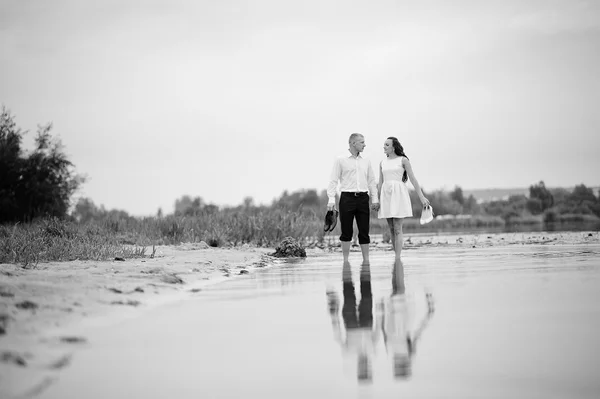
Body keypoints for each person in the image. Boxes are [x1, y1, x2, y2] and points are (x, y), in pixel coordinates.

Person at [327, 133, 380, 265]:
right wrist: (331, 200)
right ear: (353, 143)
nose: (364, 145)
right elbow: (333, 180)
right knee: (346, 231)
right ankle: (345, 261)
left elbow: (372, 181)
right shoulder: (340, 160)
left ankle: (366, 261)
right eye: (362, 142)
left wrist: (375, 199)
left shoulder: (366, 160)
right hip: (346, 198)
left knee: (364, 231)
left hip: (363, 198)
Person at [377, 137, 430, 259]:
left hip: (399, 194)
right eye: (384, 145)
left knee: (397, 228)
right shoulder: (382, 163)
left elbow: (413, 179)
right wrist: (377, 199)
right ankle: (396, 254)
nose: (384, 147)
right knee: (391, 228)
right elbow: (380, 182)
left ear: (393, 147)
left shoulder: (403, 160)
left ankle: (398, 258)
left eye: (386, 145)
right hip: (386, 196)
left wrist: (421, 197)